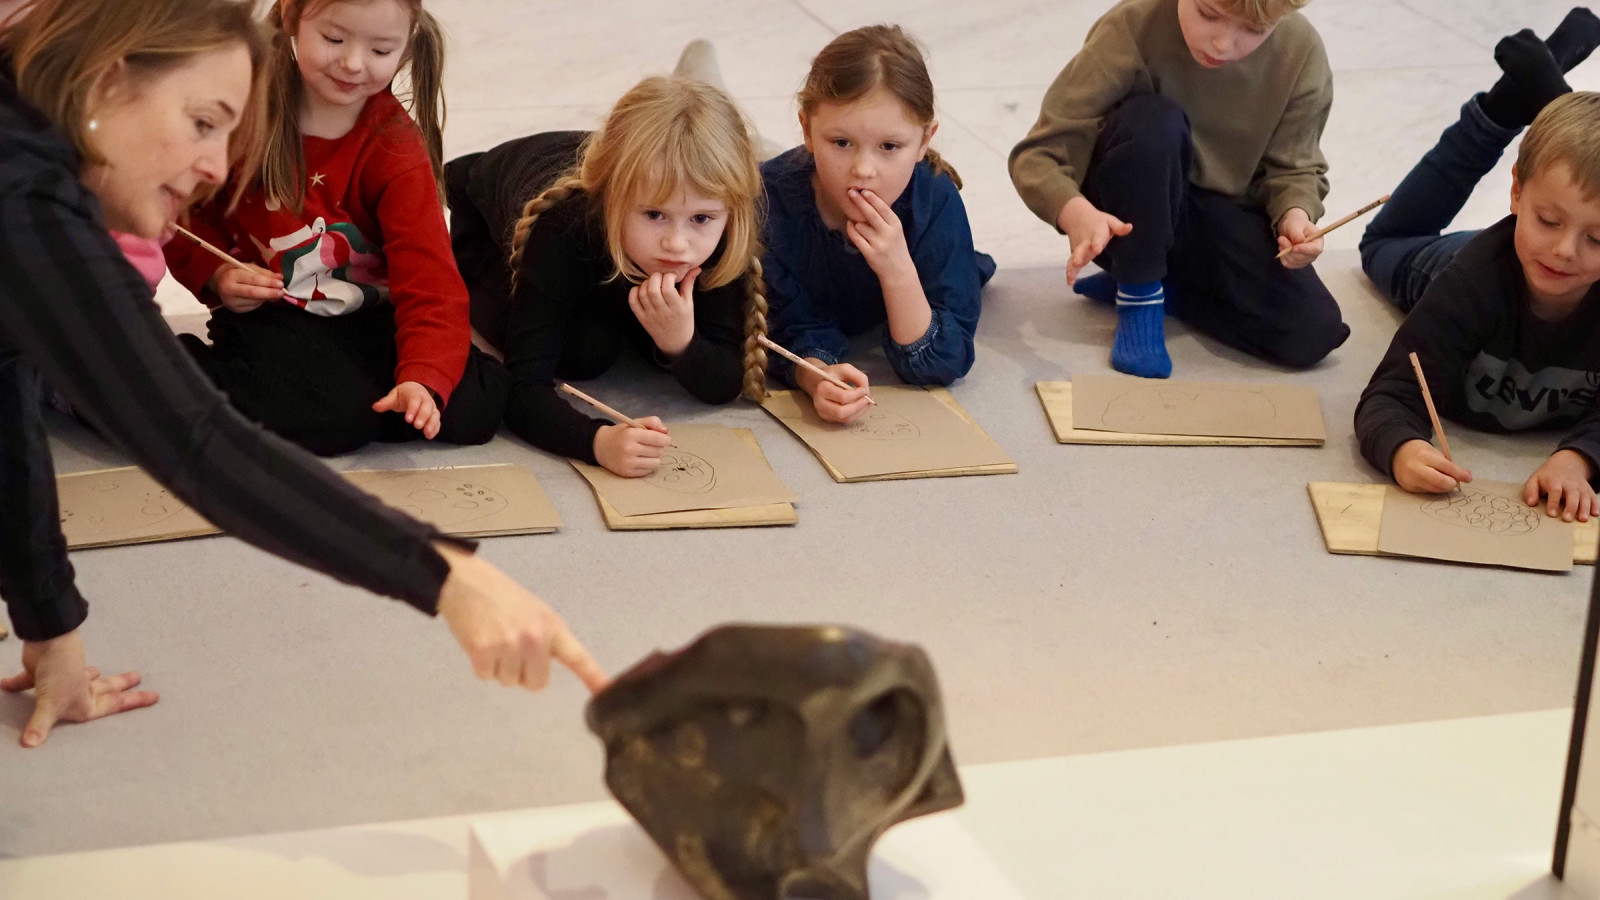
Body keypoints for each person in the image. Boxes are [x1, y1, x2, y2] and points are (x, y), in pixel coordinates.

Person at [0, 0, 604, 750]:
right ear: (111, 83)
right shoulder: (29, 205)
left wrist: (50, 627)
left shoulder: (32, 157)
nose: (219, 168)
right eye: (202, 122)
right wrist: (449, 576)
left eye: (230, 130)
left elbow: (7, 415)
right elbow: (198, 443)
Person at [161, 0, 507, 456]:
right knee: (336, 420)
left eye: (381, 50)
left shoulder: (395, 145)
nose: (352, 63)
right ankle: (159, 369)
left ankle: (349, 396)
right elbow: (181, 212)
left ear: (407, 44)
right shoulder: (243, 111)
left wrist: (422, 379)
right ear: (290, 17)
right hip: (272, 309)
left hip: (369, 309)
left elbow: (430, 281)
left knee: (472, 409)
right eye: (334, 39)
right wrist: (217, 275)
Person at [447, 73, 769, 478]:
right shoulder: (563, 229)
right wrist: (596, 441)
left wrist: (680, 342)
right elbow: (523, 387)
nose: (677, 244)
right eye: (655, 215)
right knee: (585, 352)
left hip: (611, 208)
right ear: (612, 199)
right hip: (483, 212)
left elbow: (723, 382)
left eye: (701, 218)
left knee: (623, 335)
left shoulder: (721, 228)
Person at [1009, 0, 1346, 378]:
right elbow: (1039, 154)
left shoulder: (1301, 51)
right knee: (1154, 122)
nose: (1222, 43)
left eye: (1252, 30)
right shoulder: (1133, 24)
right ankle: (1138, 291)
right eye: (1208, 14)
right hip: (1127, 214)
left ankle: (1171, 287)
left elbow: (1296, 166)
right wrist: (1075, 213)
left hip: (1217, 215)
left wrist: (1295, 214)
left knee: (1312, 333)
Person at [1354, 11, 1600, 522]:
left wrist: (1576, 460)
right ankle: (1499, 111)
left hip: (1508, 254)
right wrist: (1401, 448)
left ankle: (1551, 105)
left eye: (1597, 238)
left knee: (1563, 184)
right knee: (1383, 242)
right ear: (1514, 193)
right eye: (1549, 220)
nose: (1564, 251)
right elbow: (1391, 393)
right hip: (1448, 263)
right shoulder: (1467, 286)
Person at [762, 25, 994, 425]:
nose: (863, 170)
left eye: (889, 146)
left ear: (924, 141)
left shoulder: (934, 198)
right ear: (806, 130)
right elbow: (784, 324)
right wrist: (817, 377)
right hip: (779, 174)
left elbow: (944, 361)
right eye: (841, 142)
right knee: (725, 179)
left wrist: (898, 269)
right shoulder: (769, 203)